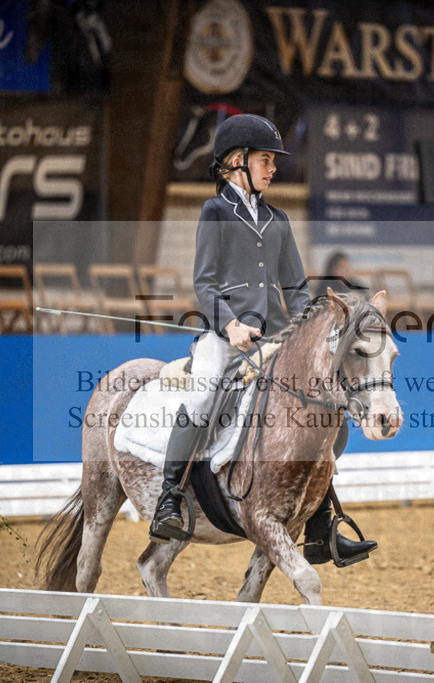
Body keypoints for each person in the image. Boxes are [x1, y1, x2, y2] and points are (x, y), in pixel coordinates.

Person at [150, 113, 377, 567]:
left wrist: (301, 333)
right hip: (225, 334)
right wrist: (230, 325)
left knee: (329, 417)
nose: (273, 169)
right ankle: (169, 499)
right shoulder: (214, 211)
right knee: (202, 399)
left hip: (274, 337)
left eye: (273, 161)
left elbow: (295, 287)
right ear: (237, 161)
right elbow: (205, 283)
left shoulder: (277, 219)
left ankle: (319, 526)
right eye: (266, 160)